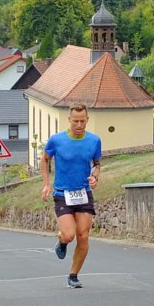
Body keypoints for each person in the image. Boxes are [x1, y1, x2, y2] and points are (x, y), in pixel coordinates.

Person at [40, 103, 101, 289]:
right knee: (69, 235)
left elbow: (97, 164)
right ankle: (61, 241)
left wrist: (95, 176)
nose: (79, 125)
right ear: (69, 120)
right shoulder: (56, 140)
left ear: (87, 120)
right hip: (62, 193)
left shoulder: (94, 140)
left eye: (83, 121)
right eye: (76, 121)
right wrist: (46, 184)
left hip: (83, 192)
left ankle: (73, 275)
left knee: (83, 236)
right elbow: (44, 159)